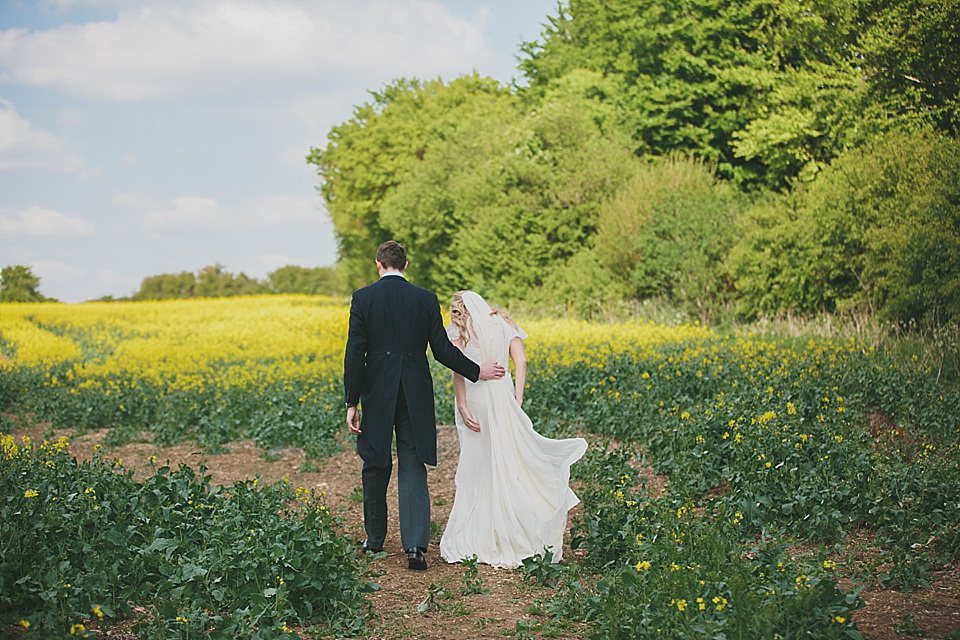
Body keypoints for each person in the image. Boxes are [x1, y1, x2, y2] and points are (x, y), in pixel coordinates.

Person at [344, 242, 505, 571]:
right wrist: (477, 371)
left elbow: (354, 353)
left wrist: (352, 400)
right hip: (414, 392)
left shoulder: (363, 298)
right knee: (413, 464)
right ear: (405, 264)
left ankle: (374, 540)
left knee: (375, 463)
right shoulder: (425, 298)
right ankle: (416, 547)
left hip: (377, 392)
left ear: (379, 264)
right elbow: (443, 350)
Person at [439, 291, 588, 568]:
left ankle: (479, 532)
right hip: (503, 397)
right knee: (509, 461)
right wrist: (517, 397)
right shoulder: (504, 323)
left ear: (459, 309)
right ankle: (517, 528)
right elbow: (521, 361)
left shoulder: (458, 328)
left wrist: (461, 404)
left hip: (476, 399)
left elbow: (457, 369)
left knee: (477, 466)